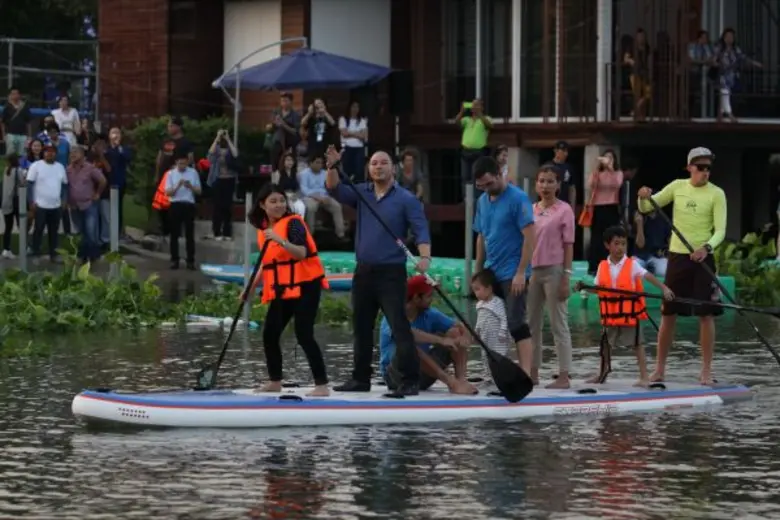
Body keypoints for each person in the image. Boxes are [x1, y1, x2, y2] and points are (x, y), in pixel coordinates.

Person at [325, 146, 432, 395]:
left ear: (392, 168)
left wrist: (424, 257)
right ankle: (360, 379)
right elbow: (334, 189)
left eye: (383, 163)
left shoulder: (406, 199)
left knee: (398, 325)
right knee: (361, 326)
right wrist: (332, 166)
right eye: (374, 163)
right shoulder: (362, 192)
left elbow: (421, 230)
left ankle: (409, 380)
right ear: (368, 169)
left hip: (391, 273)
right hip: (363, 272)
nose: (378, 167)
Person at [637, 147, 726, 385]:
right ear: (689, 168)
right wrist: (643, 195)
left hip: (703, 258)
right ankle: (659, 370)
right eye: (700, 168)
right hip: (677, 257)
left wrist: (705, 248)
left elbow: (720, 231)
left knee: (706, 315)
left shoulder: (717, 194)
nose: (705, 172)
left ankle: (706, 371)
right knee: (668, 313)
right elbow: (646, 208)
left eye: (708, 168)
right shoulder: (677, 186)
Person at [248, 184, 330, 397]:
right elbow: (268, 263)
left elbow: (301, 253)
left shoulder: (294, 224)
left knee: (304, 333)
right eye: (273, 201)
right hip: (283, 289)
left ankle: (321, 386)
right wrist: (251, 287)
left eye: (281, 201)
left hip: (306, 286)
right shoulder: (264, 228)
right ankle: (275, 381)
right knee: (270, 333)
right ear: (262, 205)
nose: (279, 205)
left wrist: (280, 240)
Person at [582, 226, 674, 387]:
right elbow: (598, 289)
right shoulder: (602, 266)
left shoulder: (632, 265)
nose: (620, 248)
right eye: (616, 244)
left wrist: (664, 288)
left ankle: (644, 376)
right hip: (611, 315)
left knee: (637, 345)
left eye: (623, 244)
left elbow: (648, 276)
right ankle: (602, 373)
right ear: (607, 245)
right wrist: (584, 287)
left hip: (629, 314)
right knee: (605, 345)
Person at [473, 156, 536, 375]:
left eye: (490, 183)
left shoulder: (518, 198)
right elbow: (481, 236)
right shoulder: (482, 201)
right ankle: (497, 371)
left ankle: (526, 372)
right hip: (491, 270)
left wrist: (521, 272)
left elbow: (530, 237)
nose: (487, 189)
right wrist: (478, 270)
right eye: (481, 186)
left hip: (513, 272)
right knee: (490, 322)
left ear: (500, 173)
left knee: (516, 322)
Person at [380, 275, 477, 395]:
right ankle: (451, 382)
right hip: (396, 378)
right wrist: (441, 340)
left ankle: (461, 381)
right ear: (416, 298)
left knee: (455, 333)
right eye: (429, 296)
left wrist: (465, 336)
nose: (432, 299)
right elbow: (407, 334)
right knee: (408, 344)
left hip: (424, 376)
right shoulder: (393, 316)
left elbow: (460, 326)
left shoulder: (430, 313)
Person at [526, 163, 575, 389]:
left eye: (550, 181)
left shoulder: (564, 210)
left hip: (554, 269)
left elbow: (568, 245)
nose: (545, 185)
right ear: (536, 184)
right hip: (533, 270)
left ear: (558, 185)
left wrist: (566, 276)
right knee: (531, 324)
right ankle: (533, 371)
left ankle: (564, 375)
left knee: (558, 323)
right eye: (542, 181)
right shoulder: (531, 209)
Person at [27, 143, 68, 262]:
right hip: (40, 205)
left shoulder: (60, 167)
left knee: (53, 232)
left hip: (56, 205)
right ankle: (36, 253)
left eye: (52, 151)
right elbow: (29, 185)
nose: (49, 153)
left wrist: (64, 200)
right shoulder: (36, 166)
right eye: (47, 151)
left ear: (56, 153)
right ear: (43, 153)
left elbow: (65, 186)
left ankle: (53, 255)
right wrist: (31, 201)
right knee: (38, 229)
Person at [586, 149, 623, 275]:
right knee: (596, 237)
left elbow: (617, 184)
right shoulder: (598, 173)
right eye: (606, 158)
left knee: (612, 237)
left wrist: (610, 169)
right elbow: (591, 184)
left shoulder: (617, 173)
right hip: (598, 207)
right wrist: (597, 169)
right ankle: (594, 266)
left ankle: (612, 264)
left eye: (610, 158)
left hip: (612, 207)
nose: (608, 160)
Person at [67, 146, 106, 263]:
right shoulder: (68, 169)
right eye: (71, 153)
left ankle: (94, 256)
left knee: (90, 231)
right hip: (74, 205)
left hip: (89, 204)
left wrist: (98, 193)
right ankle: (82, 255)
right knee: (80, 231)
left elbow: (103, 180)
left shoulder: (90, 168)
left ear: (83, 155)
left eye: (75, 152)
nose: (73, 155)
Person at [471, 269, 510, 382]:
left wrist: (503, 331)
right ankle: (488, 376)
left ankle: (500, 377)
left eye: (478, 289)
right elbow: (479, 321)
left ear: (488, 288)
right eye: (474, 290)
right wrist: (476, 333)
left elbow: (503, 318)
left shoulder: (497, 302)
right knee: (485, 355)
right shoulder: (480, 305)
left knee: (498, 355)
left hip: (497, 338)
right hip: (485, 336)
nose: (476, 293)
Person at [165, 150, 201, 270]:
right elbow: (168, 192)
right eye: (180, 164)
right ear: (176, 163)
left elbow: (199, 191)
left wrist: (190, 186)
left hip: (188, 204)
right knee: (174, 234)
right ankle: (174, 259)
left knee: (189, 234)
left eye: (184, 164)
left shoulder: (193, 173)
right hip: (175, 204)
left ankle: (190, 260)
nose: (182, 166)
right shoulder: (170, 174)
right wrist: (178, 186)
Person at [299, 155, 347, 240]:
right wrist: (317, 197)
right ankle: (310, 235)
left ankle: (341, 234)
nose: (319, 165)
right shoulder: (304, 174)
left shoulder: (325, 173)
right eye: (317, 162)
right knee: (311, 208)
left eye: (321, 163)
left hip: (324, 197)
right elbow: (304, 190)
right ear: (310, 163)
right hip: (310, 197)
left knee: (337, 206)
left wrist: (326, 196)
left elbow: (329, 187)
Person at [206, 129, 239, 241]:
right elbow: (209, 155)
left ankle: (227, 232)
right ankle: (217, 232)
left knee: (227, 206)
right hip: (218, 179)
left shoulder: (230, 150)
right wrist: (217, 137)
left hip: (229, 180)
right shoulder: (217, 150)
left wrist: (228, 139)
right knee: (217, 206)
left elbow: (236, 154)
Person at [633, 208, 671, 277]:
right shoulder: (639, 217)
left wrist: (666, 252)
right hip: (640, 255)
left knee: (664, 272)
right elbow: (640, 244)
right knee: (634, 272)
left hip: (658, 256)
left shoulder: (663, 218)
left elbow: (670, 241)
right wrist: (639, 224)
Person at [338, 100, 368, 182]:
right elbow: (344, 133)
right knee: (347, 171)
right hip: (347, 148)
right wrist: (357, 133)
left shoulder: (362, 121)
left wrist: (350, 133)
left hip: (359, 149)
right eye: (353, 106)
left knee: (359, 171)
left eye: (357, 107)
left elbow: (364, 136)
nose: (355, 109)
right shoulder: (343, 119)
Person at [1, 153, 24, 258]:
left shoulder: (6, 170)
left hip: (6, 202)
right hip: (15, 202)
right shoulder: (18, 170)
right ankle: (24, 246)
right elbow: (22, 183)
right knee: (21, 225)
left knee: (8, 227)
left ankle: (6, 249)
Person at [271, 152, 306, 217]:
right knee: (291, 208)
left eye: (292, 160)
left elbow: (299, 188)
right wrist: (284, 196)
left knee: (301, 207)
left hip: (294, 196)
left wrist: (296, 195)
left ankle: (299, 225)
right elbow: (274, 189)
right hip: (282, 196)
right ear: (283, 161)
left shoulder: (296, 174)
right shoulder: (277, 173)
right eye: (288, 160)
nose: (290, 162)